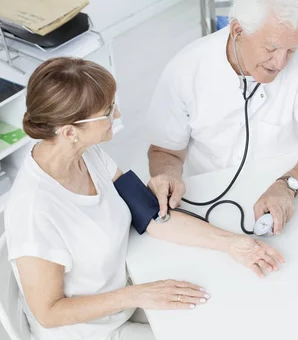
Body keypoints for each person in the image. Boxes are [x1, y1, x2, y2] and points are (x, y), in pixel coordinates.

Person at [5, 58, 283, 340]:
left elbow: (148, 214)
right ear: (69, 132)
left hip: (122, 299)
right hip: (89, 332)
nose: (117, 114)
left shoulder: (87, 154)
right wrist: (138, 294)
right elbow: (49, 313)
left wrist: (232, 243)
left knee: (226, 313)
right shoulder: (34, 211)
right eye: (107, 111)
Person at [147, 0, 298, 234]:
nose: (281, 63)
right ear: (237, 31)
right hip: (213, 200)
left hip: (292, 188)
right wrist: (168, 176)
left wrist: (288, 186)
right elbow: (165, 152)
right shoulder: (186, 69)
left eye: (291, 51)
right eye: (271, 48)